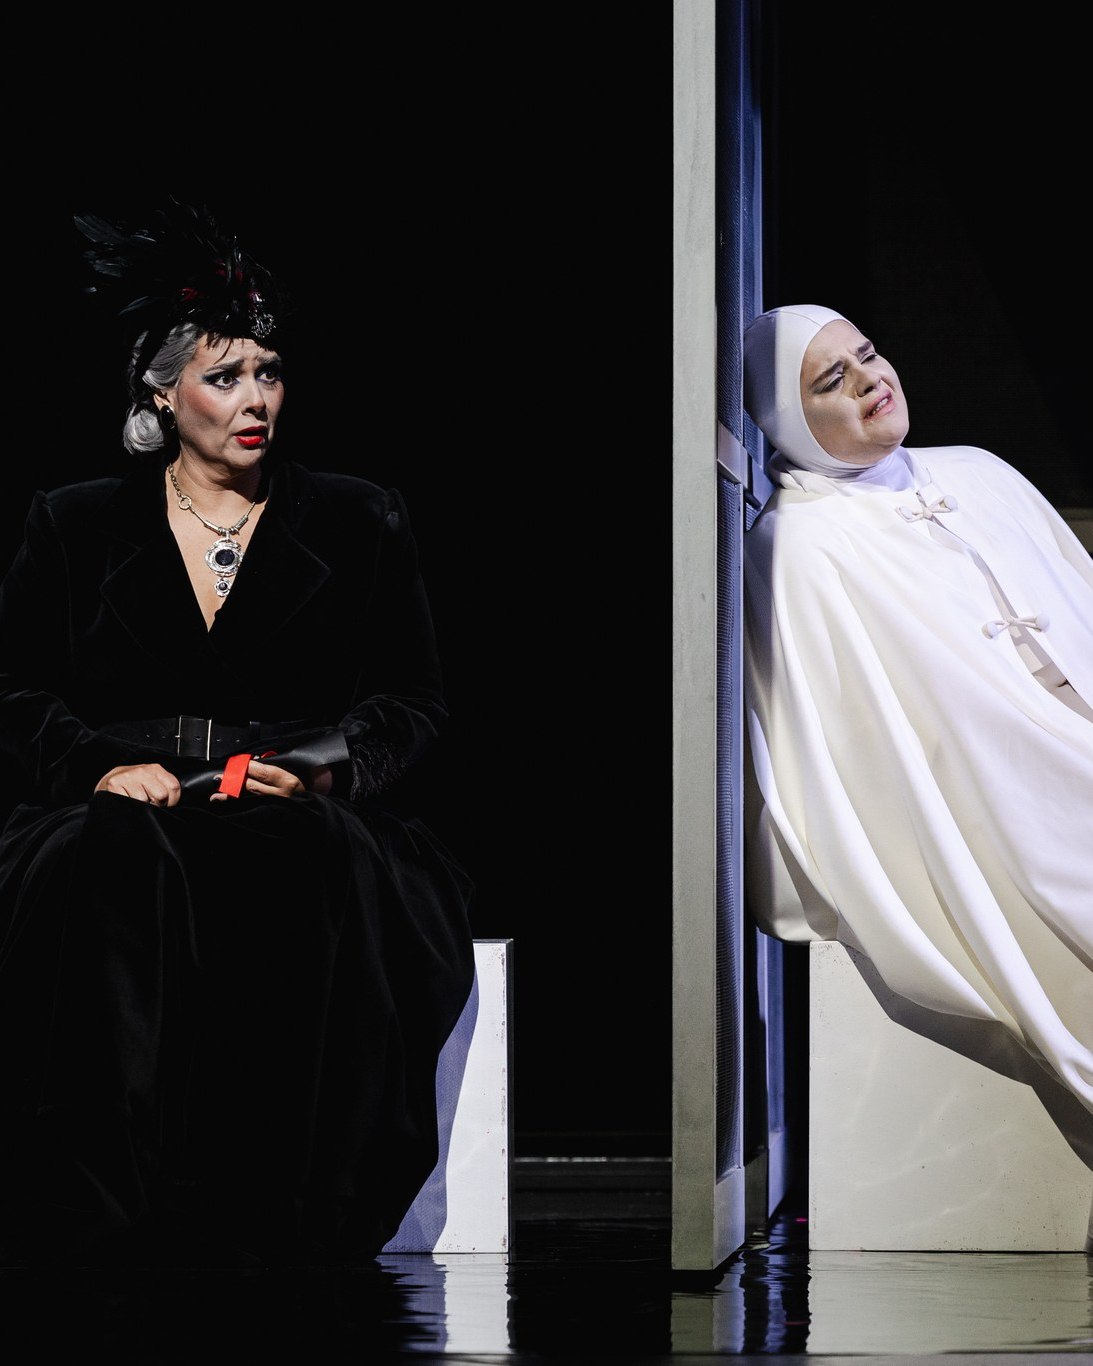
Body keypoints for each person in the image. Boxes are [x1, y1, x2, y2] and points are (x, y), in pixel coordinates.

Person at [0, 201, 476, 1266]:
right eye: (225, 377)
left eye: (268, 372)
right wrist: (97, 766)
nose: (255, 398)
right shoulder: (73, 521)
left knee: (311, 861)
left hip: (289, 790)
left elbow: (413, 698)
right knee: (104, 863)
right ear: (160, 394)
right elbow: (16, 691)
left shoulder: (357, 515)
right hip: (125, 798)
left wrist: (328, 766)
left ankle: (289, 1215)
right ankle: (106, 1213)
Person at [741, 304, 1093, 1121]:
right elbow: (846, 732)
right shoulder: (798, 545)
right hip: (994, 789)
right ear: (786, 418)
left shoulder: (977, 470)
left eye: (867, 355)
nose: (869, 381)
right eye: (832, 380)